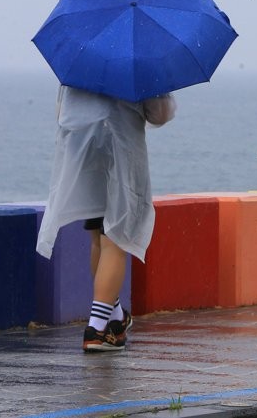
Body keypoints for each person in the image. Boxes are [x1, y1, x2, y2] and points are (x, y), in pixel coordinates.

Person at [36, 85, 176, 352]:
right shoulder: (136, 63)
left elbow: (61, 113)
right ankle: (97, 329)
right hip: (121, 153)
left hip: (83, 157)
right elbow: (158, 114)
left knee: (98, 239)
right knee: (115, 240)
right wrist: (162, 94)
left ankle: (115, 317)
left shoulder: (79, 65)